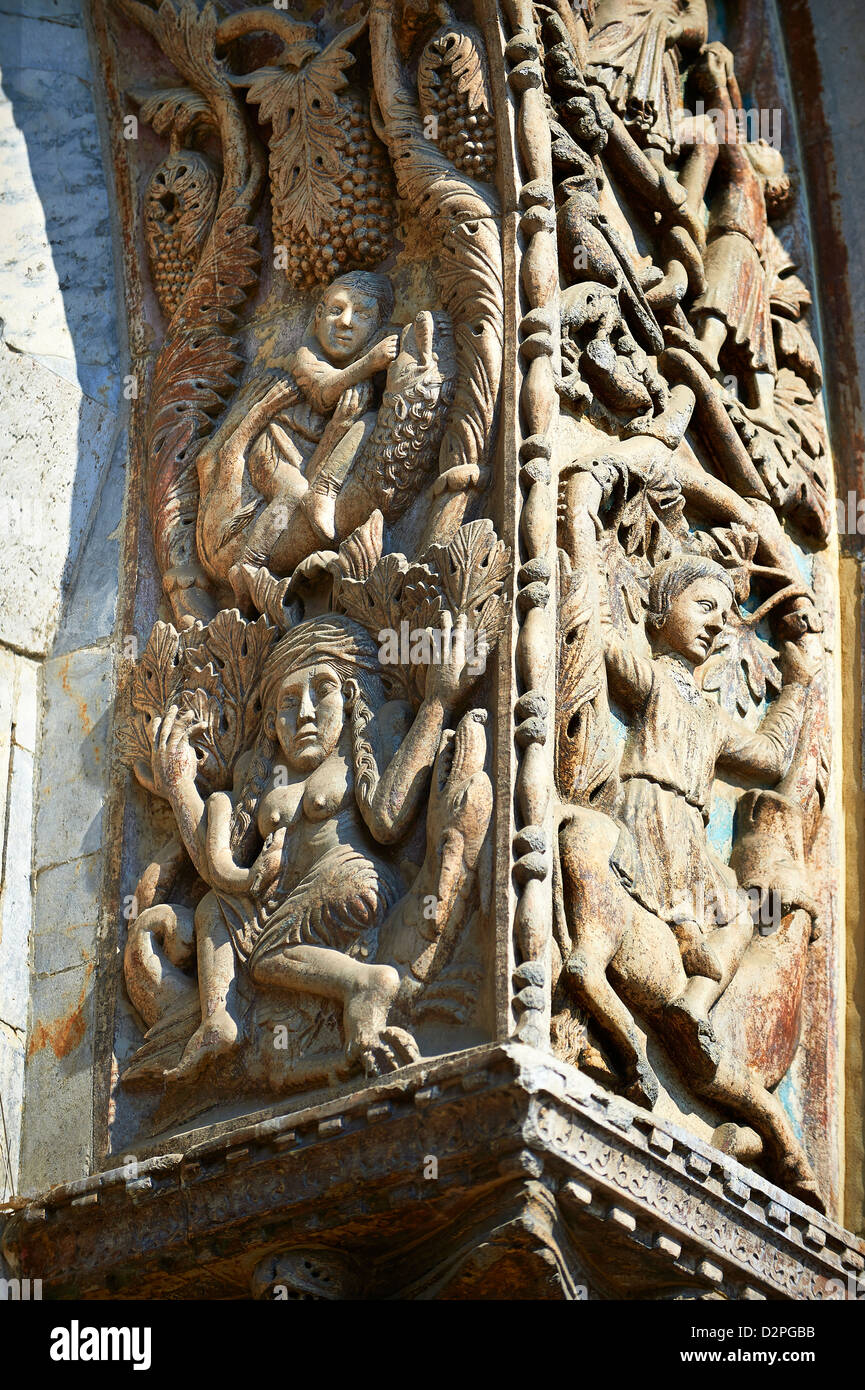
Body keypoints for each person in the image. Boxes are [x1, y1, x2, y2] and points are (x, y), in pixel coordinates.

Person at [151, 611, 479, 1080]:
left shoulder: (366, 742)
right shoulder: (257, 775)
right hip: (287, 902)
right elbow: (217, 864)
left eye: (320, 691)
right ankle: (218, 1019)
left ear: (350, 697)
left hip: (351, 881)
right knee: (213, 906)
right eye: (287, 701)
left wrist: (438, 702)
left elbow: (388, 821)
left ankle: (366, 984)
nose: (303, 712)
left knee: (264, 957)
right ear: (269, 722)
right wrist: (180, 785)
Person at [602, 553, 815, 1053]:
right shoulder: (654, 682)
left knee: (746, 914)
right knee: (684, 905)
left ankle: (693, 1006)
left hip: (690, 831)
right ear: (659, 612)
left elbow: (770, 758)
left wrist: (798, 687)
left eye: (723, 618)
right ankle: (679, 940)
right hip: (649, 809)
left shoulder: (713, 716)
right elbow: (607, 644)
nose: (717, 625)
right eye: (703, 606)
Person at [196, 272, 399, 586]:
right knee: (293, 491)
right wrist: (371, 362)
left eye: (362, 314)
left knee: (366, 424)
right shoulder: (306, 357)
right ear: (317, 316)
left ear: (377, 327)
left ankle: (323, 493)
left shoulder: (363, 382)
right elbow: (323, 392)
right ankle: (248, 567)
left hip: (310, 458)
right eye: (336, 310)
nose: (346, 322)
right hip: (274, 452)